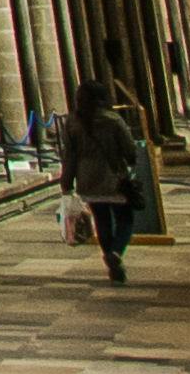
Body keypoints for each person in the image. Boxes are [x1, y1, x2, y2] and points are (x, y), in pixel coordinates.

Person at [60, 79, 151, 284]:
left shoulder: (72, 122)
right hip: (113, 176)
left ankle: (109, 253)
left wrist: (66, 181)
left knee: (102, 221)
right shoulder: (112, 120)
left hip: (87, 178)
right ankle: (116, 252)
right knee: (125, 219)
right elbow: (129, 149)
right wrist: (131, 160)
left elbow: (69, 155)